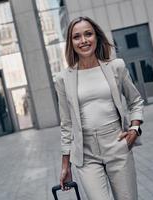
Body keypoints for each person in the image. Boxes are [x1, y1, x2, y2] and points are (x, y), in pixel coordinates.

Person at [54, 16, 144, 200]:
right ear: (71, 43)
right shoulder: (63, 78)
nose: (84, 40)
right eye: (76, 36)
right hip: (86, 154)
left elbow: (135, 100)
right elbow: (66, 123)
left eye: (88, 34)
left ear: (97, 37)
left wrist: (134, 129)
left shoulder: (115, 67)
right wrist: (65, 166)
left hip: (117, 143)